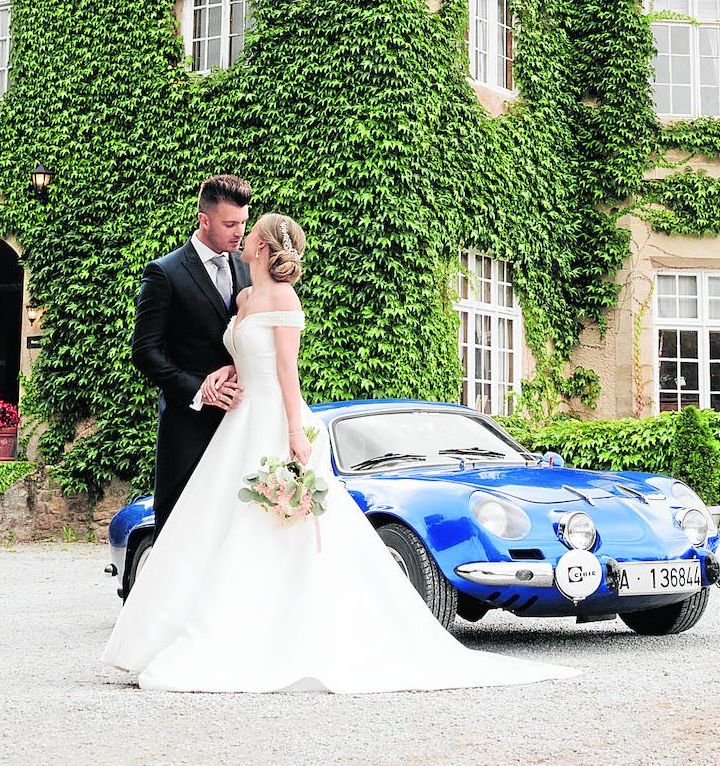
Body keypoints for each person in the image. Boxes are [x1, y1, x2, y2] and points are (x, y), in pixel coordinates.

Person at [104, 213, 574, 693]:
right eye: (236, 227)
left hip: (272, 420)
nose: (242, 239)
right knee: (214, 522)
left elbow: (288, 373)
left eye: (251, 232)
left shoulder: (284, 299)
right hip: (236, 422)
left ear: (264, 247)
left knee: (279, 530)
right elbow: (237, 353)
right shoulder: (243, 295)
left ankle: (284, 635)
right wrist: (219, 376)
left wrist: (293, 431)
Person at [131, 174, 253, 536]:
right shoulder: (164, 273)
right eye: (230, 224)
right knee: (183, 537)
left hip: (244, 424)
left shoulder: (247, 266)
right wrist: (200, 389)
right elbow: (145, 351)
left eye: (244, 223)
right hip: (188, 432)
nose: (239, 233)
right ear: (204, 220)